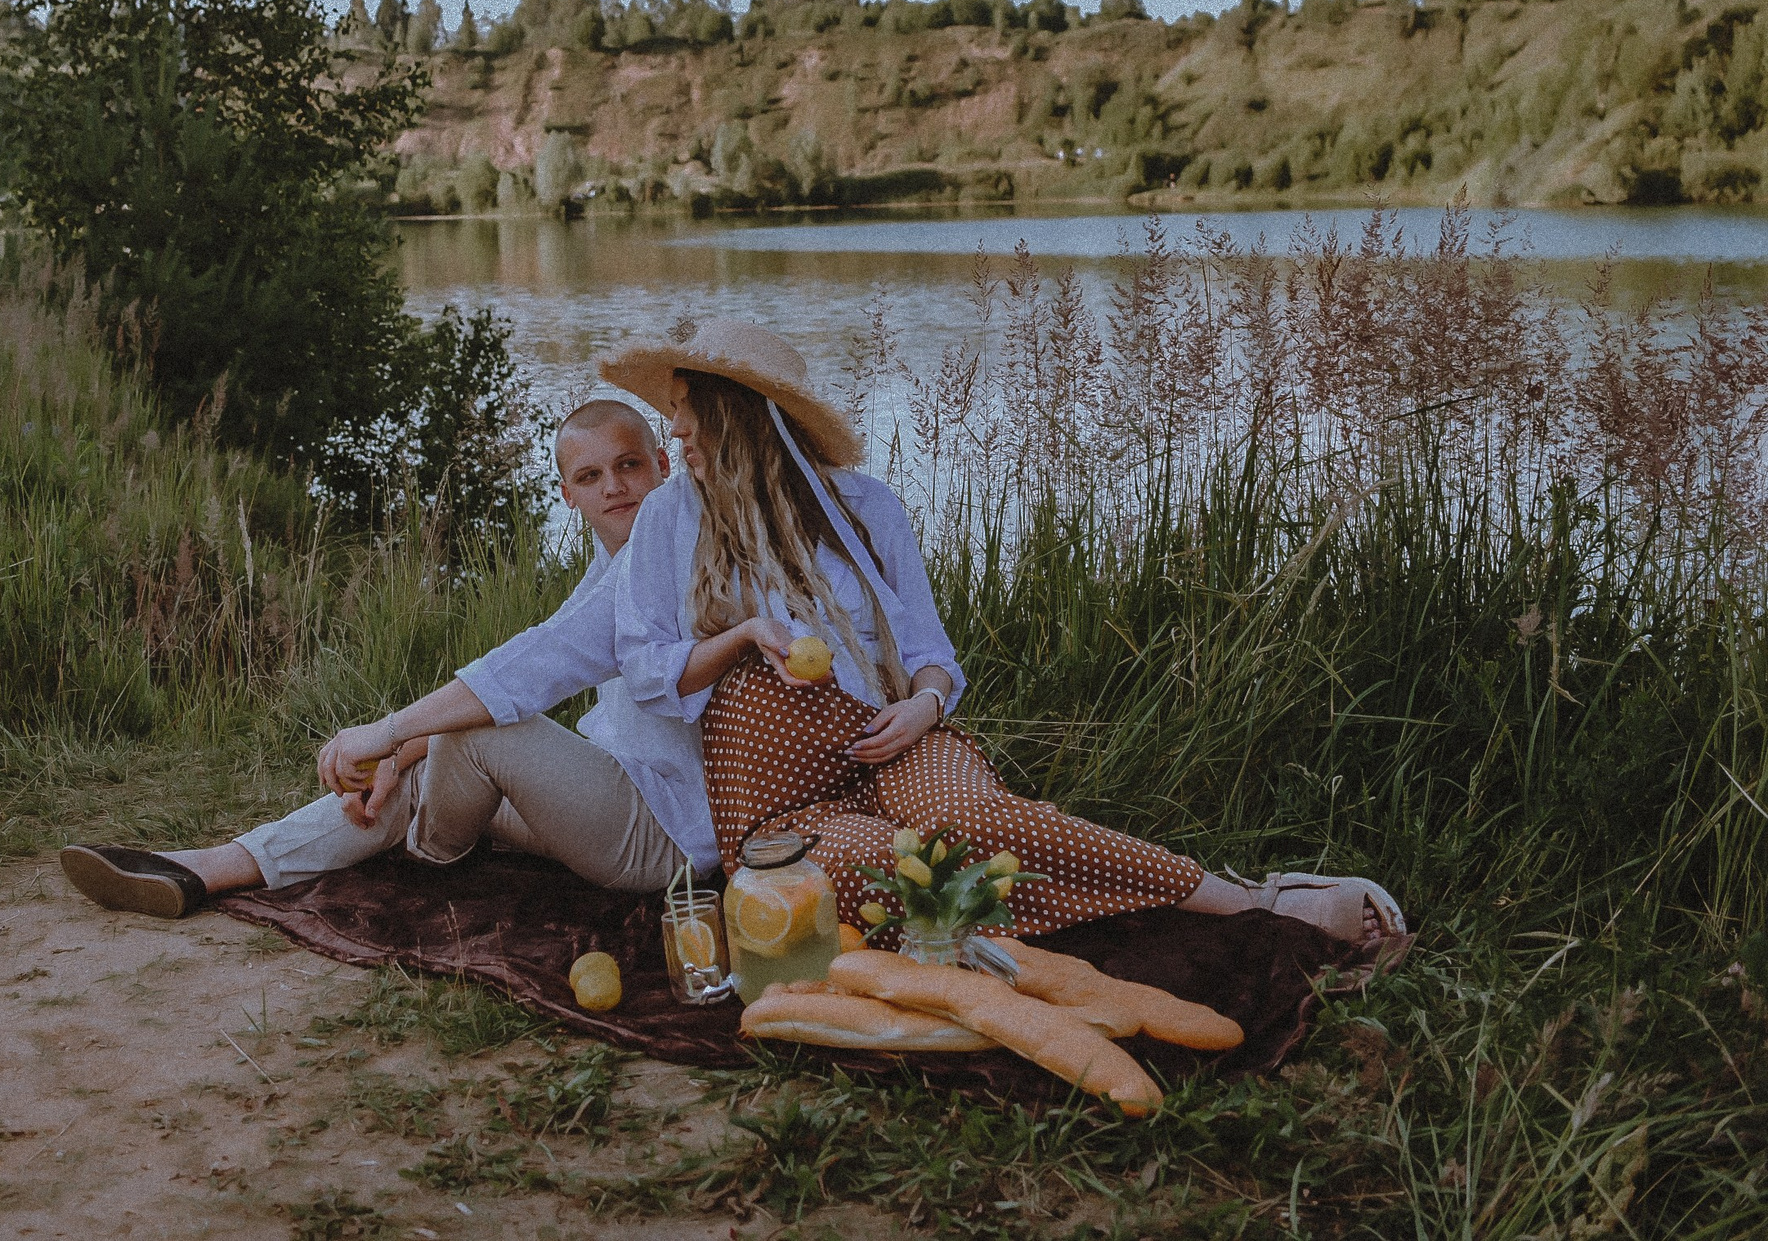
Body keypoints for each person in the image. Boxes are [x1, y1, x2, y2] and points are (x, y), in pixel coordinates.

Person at [602, 316, 1410, 967]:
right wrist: (744, 633)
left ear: (735, 410)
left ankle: (1252, 903)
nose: (671, 430)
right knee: (891, 872)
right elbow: (644, 671)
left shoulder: (864, 508)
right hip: (780, 801)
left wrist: (922, 707)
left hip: (893, 745)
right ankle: (1148, 918)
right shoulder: (670, 520)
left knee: (971, 824)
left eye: (682, 406)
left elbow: (932, 653)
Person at [60, 397, 718, 919]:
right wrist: (399, 752)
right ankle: (210, 866)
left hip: (662, 837)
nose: (616, 486)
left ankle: (426, 852)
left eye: (630, 465)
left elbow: (536, 665)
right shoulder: (612, 567)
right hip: (606, 804)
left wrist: (395, 732)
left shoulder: (670, 557)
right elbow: (534, 666)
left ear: (663, 464)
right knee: (412, 758)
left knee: (474, 728)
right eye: (590, 475)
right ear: (568, 495)